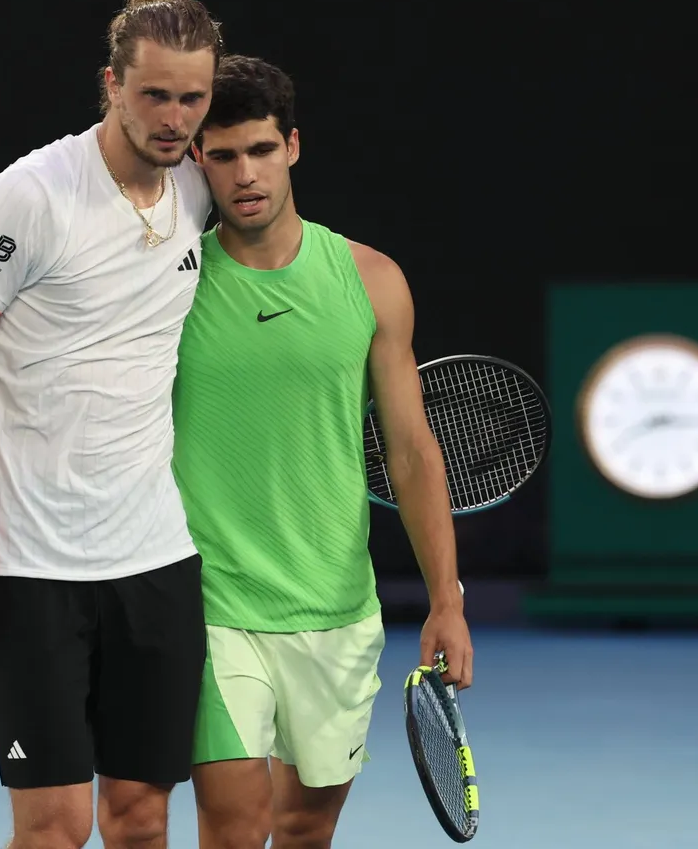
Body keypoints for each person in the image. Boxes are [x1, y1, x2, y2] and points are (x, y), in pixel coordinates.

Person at [0, 0, 222, 849]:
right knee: (53, 827)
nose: (175, 117)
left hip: (155, 560)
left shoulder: (201, 188)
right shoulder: (28, 197)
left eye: (194, 98)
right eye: (155, 94)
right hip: (27, 569)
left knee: (142, 819)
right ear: (111, 84)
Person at [170, 55, 475, 849]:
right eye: (225, 154)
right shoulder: (170, 286)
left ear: (293, 146)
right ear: (198, 159)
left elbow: (410, 451)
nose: (246, 174)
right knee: (234, 826)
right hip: (213, 603)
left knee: (305, 827)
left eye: (261, 150)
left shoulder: (372, 281)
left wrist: (447, 598)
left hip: (337, 608)